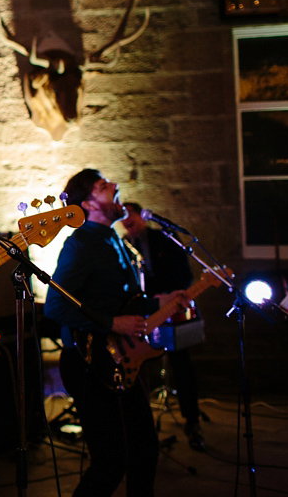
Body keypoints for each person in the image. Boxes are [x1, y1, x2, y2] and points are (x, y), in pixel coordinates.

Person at [44, 169, 189, 497]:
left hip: (118, 358)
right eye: (102, 185)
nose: (114, 186)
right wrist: (111, 324)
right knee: (110, 462)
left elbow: (125, 300)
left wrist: (159, 302)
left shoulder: (114, 239)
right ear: (88, 203)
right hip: (87, 361)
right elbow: (54, 307)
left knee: (144, 450)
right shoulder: (79, 244)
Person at [120, 201, 205, 451]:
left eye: (131, 219)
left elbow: (184, 273)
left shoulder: (165, 239)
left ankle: (193, 421)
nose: (128, 224)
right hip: (140, 313)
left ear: (140, 215)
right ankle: (139, 432)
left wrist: (168, 299)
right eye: (124, 222)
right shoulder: (122, 245)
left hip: (168, 310)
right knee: (136, 369)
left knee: (181, 363)